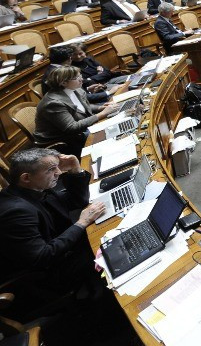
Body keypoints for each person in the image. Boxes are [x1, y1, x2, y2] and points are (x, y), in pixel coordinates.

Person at [0, 148, 106, 317]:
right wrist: (82, 222)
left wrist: (75, 169)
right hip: (43, 277)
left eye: (57, 167)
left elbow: (77, 201)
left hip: (54, 249)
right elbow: (43, 257)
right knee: (105, 248)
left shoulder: (34, 188)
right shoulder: (17, 212)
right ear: (26, 178)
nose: (58, 172)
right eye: (51, 169)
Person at [34, 66, 119, 156]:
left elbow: (81, 107)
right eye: (76, 78)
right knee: (109, 135)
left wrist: (100, 108)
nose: (81, 79)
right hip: (62, 139)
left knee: (114, 123)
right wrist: (102, 114)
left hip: (79, 129)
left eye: (80, 75)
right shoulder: (53, 103)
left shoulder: (74, 89)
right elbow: (72, 128)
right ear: (64, 82)